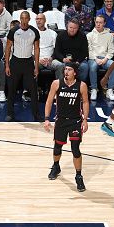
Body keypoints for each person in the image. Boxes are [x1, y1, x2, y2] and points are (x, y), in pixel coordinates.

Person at [43, 62, 89, 192]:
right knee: (57, 146)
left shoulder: (81, 85)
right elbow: (49, 101)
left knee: (75, 149)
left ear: (75, 72)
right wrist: (46, 119)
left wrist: (85, 120)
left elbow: (85, 102)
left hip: (75, 121)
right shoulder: (56, 83)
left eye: (69, 69)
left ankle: (78, 176)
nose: (66, 72)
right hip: (61, 121)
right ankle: (56, 166)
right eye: (65, 69)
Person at [4, 11, 40, 122]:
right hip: (15, 62)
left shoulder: (34, 31)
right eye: (22, 18)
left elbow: (37, 49)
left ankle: (36, 115)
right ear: (20, 19)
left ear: (29, 19)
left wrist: (36, 66)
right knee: (12, 89)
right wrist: (7, 65)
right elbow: (8, 48)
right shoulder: (13, 31)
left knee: (33, 90)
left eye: (26, 19)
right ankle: (10, 113)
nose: (24, 21)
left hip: (28, 62)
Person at [86, 15, 114, 101]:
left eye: (100, 22)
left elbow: (111, 50)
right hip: (93, 58)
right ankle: (94, 89)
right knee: (92, 67)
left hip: (105, 58)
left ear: (104, 23)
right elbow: (89, 49)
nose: (98, 24)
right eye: (97, 22)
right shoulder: (89, 35)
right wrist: (96, 59)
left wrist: (105, 59)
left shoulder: (109, 35)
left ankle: (110, 90)